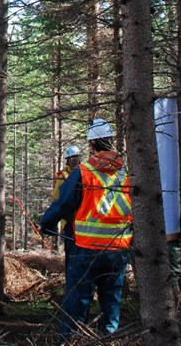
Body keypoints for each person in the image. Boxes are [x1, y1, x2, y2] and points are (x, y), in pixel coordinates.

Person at [40, 118, 132, 342]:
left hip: (86, 248)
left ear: (91, 145)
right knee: (111, 302)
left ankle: (70, 340)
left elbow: (63, 204)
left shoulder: (84, 171)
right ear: (110, 141)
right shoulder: (127, 173)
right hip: (119, 249)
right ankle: (109, 339)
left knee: (77, 301)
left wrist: (46, 223)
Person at [53, 145, 82, 264]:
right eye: (73, 158)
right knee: (71, 254)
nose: (76, 160)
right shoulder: (63, 176)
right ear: (68, 160)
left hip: (82, 220)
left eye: (77, 157)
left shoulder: (83, 173)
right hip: (69, 221)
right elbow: (57, 198)